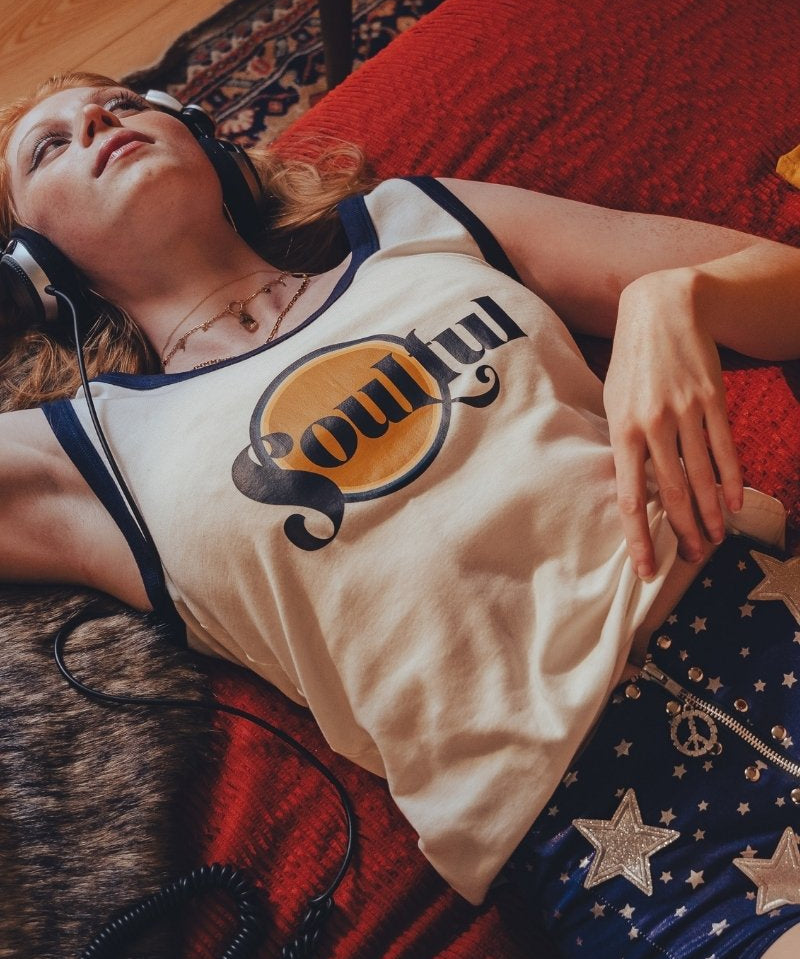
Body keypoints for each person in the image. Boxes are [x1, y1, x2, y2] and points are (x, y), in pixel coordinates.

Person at [0, 72, 799, 958]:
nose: (97, 120)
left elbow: (786, 286)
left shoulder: (420, 223)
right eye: (49, 148)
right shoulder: (87, 453)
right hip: (610, 826)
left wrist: (672, 297)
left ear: (200, 133)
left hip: (760, 615)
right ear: (36, 265)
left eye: (122, 103)